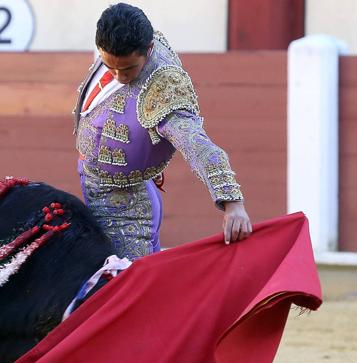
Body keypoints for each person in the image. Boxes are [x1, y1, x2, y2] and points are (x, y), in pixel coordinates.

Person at [73, 3, 252, 259]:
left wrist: (232, 202)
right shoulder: (126, 37)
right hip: (118, 185)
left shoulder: (163, 90)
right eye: (109, 66)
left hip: (125, 205)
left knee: (130, 283)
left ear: (149, 50)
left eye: (127, 69)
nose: (117, 76)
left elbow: (197, 145)